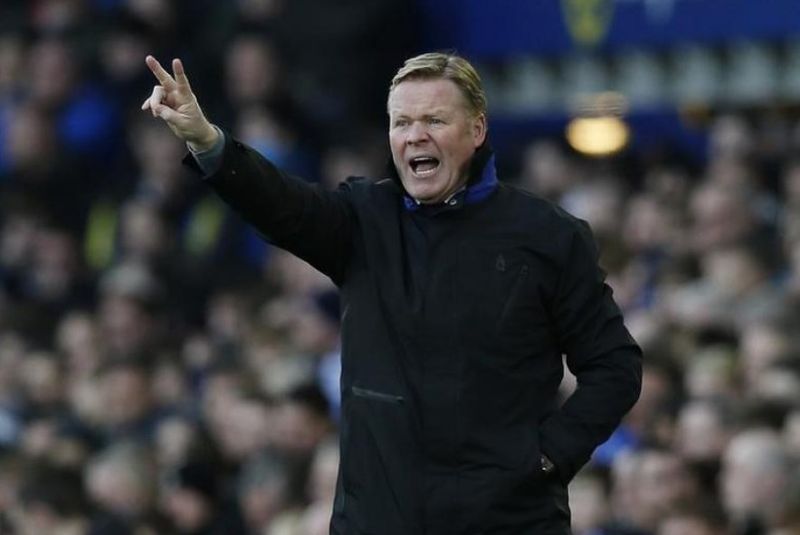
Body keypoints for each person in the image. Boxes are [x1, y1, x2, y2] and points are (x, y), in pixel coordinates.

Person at [142, 51, 642, 534]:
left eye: (434, 120)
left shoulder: (549, 236)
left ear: (477, 130)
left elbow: (615, 367)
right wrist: (208, 141)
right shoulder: (364, 219)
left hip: (508, 521)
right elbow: (280, 205)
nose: (415, 135)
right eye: (402, 123)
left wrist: (547, 455)